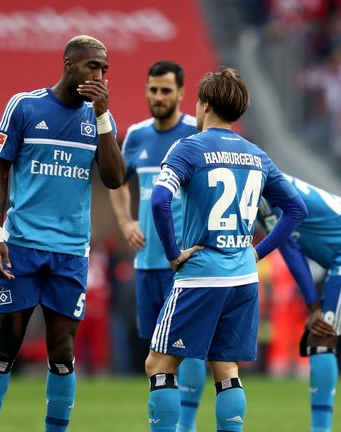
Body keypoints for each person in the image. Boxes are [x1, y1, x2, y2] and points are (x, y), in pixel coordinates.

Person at [0, 35, 125, 432]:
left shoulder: (99, 119)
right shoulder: (24, 106)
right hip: (20, 247)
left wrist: (105, 116)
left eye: (106, 69)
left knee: (62, 353)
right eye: (93, 66)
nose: (101, 75)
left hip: (70, 254)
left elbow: (114, 178)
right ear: (69, 64)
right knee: (4, 349)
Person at [145, 67, 307, 432]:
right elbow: (296, 209)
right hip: (244, 279)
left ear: (203, 104)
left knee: (159, 365)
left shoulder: (188, 147)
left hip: (201, 275)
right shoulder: (257, 155)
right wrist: (257, 251)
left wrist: (172, 254)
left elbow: (159, 200)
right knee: (227, 370)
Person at [107, 60, 205, 432]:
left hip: (186, 263)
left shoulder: (196, 134)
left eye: (166, 90)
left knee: (189, 345)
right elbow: (115, 179)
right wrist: (125, 221)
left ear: (182, 93)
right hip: (147, 263)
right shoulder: (136, 135)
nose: (159, 97)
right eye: (153, 89)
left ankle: (187, 425)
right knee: (156, 350)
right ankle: (167, 423)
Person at [258, 175, 341, 432]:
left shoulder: (266, 197)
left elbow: (290, 251)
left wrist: (312, 305)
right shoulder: (272, 182)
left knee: (321, 336)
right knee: (318, 337)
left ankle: (321, 429)